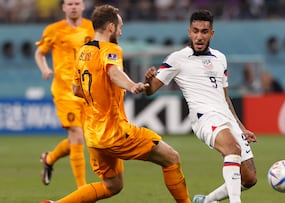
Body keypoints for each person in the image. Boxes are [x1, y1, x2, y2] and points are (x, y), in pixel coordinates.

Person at [41, 4, 190, 203]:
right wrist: (131, 85)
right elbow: (113, 72)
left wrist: (98, 96)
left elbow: (77, 90)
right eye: (120, 26)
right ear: (111, 27)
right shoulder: (111, 49)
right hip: (114, 132)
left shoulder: (83, 52)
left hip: (93, 135)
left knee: (113, 185)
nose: (121, 30)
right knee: (171, 158)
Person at [144, 10, 257, 203]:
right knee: (232, 149)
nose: (199, 36)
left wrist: (241, 127)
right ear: (189, 32)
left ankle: (205, 201)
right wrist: (148, 80)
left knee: (249, 178)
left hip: (226, 117)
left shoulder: (220, 58)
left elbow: (225, 98)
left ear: (211, 34)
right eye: (195, 31)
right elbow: (150, 90)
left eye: (204, 31)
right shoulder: (177, 58)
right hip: (204, 117)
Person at [34, 0, 94, 187]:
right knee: (76, 135)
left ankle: (49, 159)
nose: (74, 6)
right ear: (64, 7)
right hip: (63, 91)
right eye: (70, 3)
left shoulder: (91, 28)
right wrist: (44, 69)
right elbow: (40, 53)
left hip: (85, 91)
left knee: (79, 139)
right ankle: (82, 188)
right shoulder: (53, 29)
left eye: (77, 3)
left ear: (83, 6)